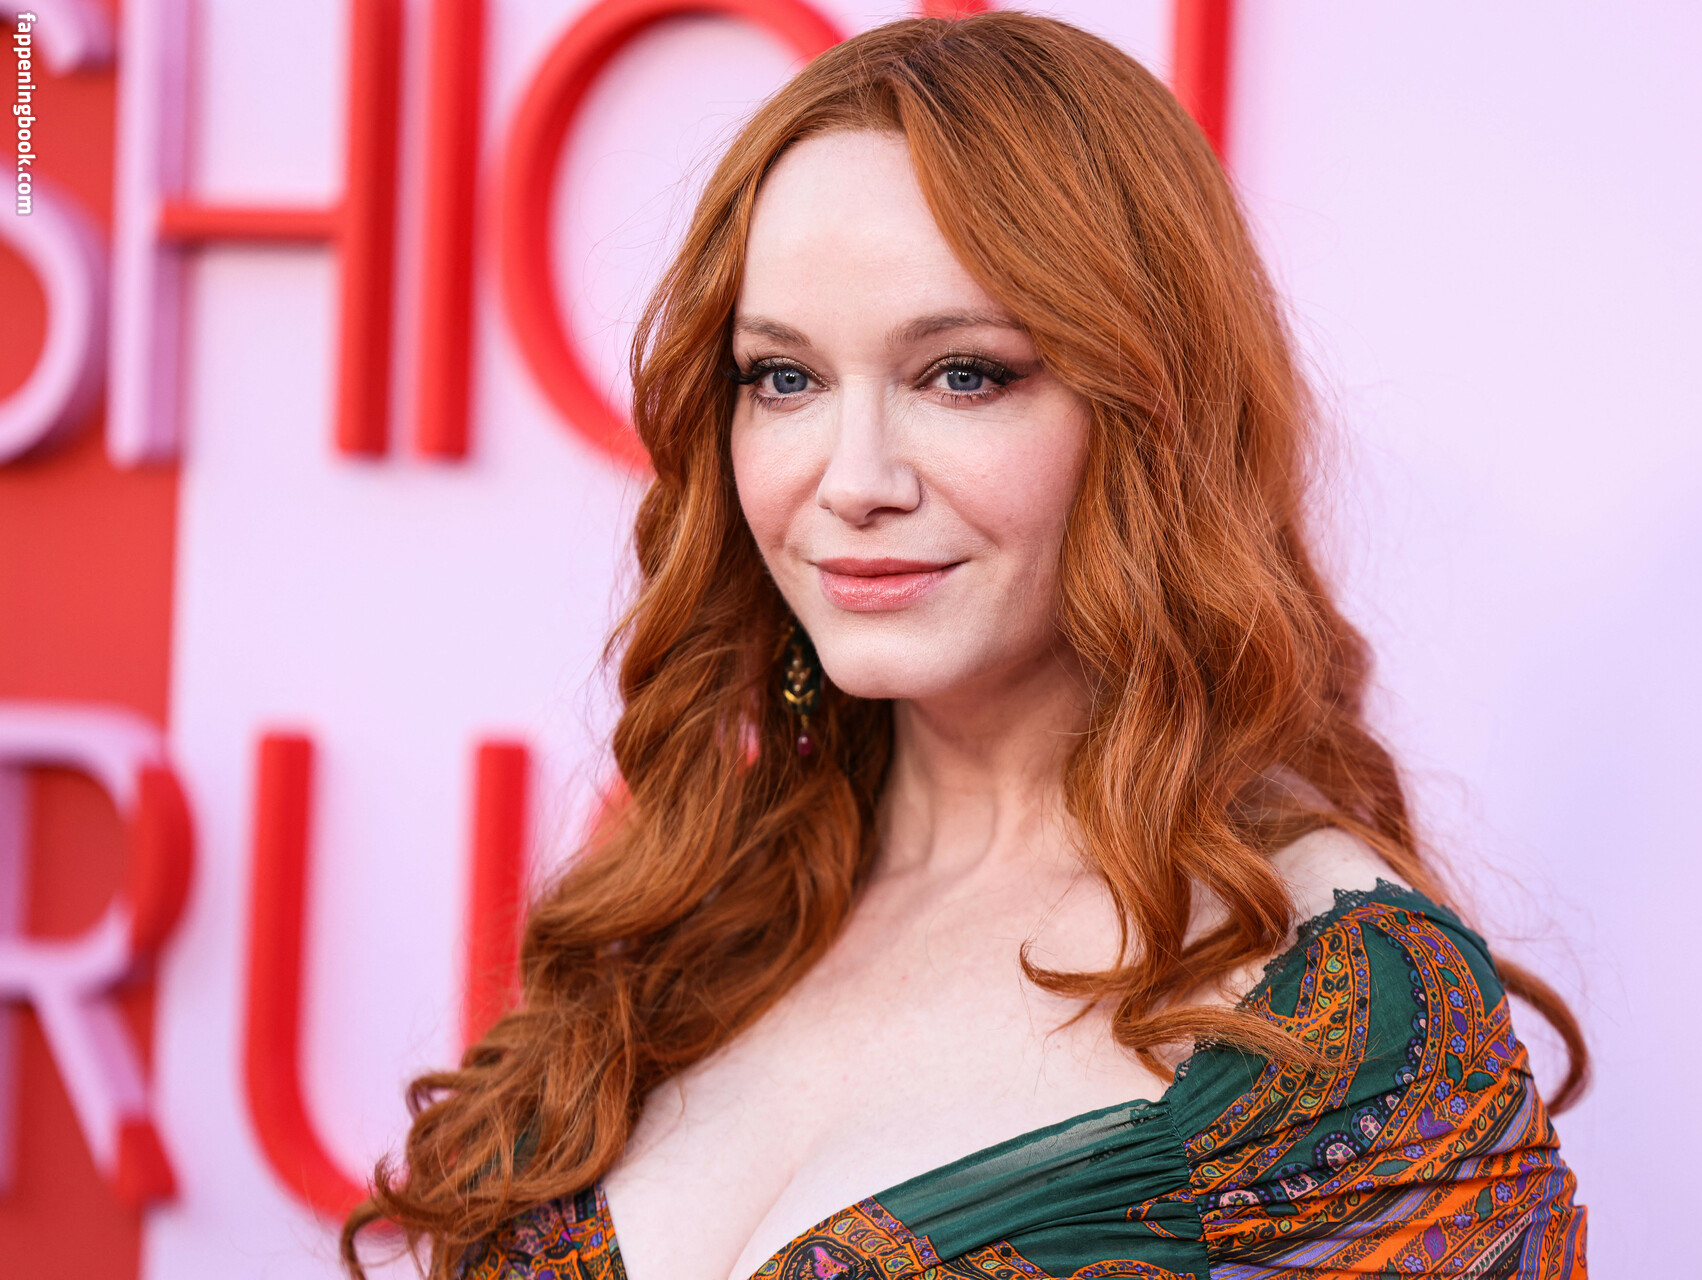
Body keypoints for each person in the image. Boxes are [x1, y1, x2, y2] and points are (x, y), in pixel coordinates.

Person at [344, 13, 1588, 1279]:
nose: (854, 480)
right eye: (784, 378)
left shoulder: (1340, 996)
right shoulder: (700, 911)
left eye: (963, 375)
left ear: (1153, 415)